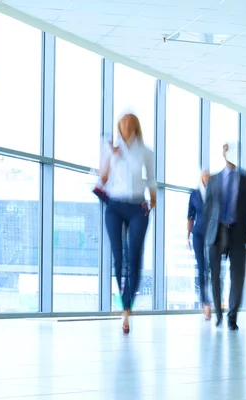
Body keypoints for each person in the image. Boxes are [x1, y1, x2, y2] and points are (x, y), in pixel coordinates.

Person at [98, 111, 155, 334]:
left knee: (135, 257)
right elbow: (102, 179)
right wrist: (110, 156)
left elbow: (151, 178)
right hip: (115, 206)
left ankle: (128, 307)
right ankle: (125, 304)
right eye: (123, 123)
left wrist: (153, 199)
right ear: (119, 127)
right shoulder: (113, 150)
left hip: (137, 206)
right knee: (118, 255)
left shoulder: (145, 152)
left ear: (136, 127)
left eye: (130, 123)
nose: (127, 127)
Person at [204, 142, 246, 330]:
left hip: (237, 231)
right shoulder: (214, 180)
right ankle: (218, 313)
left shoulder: (245, 180)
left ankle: (232, 316)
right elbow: (207, 208)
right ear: (223, 153)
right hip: (217, 231)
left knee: (238, 275)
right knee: (216, 275)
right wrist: (206, 233)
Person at [187, 170, 211, 320]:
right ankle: (205, 303)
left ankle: (213, 300)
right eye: (205, 175)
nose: (207, 178)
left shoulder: (214, 193)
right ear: (201, 177)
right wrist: (187, 235)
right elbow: (190, 216)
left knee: (212, 267)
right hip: (198, 235)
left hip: (213, 233)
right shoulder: (194, 194)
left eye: (209, 176)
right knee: (201, 268)